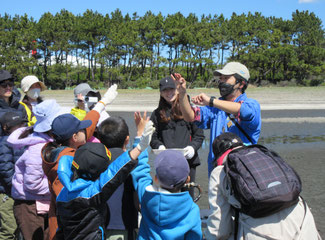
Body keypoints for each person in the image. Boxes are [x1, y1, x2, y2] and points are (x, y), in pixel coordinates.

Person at [205, 132, 321, 240]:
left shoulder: (219, 173)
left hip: (264, 233)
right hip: (303, 222)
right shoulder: (265, 155)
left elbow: (220, 229)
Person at [55, 119, 154, 240]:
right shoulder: (92, 193)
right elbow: (114, 174)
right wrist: (139, 147)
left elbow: (60, 230)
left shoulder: (62, 193)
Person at [41, 84, 118, 240]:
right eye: (81, 129)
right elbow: (70, 201)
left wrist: (102, 104)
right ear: (74, 137)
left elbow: (87, 127)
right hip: (69, 230)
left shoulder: (59, 147)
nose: (86, 131)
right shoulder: (63, 165)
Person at [173, 62, 261, 175]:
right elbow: (190, 116)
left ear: (241, 83)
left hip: (242, 174)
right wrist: (182, 93)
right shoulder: (215, 108)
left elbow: (243, 110)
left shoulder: (252, 105)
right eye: (221, 78)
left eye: (226, 78)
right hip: (217, 173)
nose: (222, 81)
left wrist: (211, 101)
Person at [8, 99, 61, 240]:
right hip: (29, 205)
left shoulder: (48, 143)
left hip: (41, 202)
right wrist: (58, 185)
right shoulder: (38, 149)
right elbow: (33, 184)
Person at [150, 76, 205, 198]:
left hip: (188, 162)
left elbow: (199, 135)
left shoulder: (189, 109)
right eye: (165, 90)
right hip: (166, 163)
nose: (168, 93)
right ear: (161, 93)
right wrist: (160, 147)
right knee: (166, 196)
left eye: (171, 89)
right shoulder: (156, 114)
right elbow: (153, 137)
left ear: (177, 89)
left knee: (187, 195)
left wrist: (192, 148)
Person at [131, 149, 202, 239]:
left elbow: (141, 173)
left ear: (156, 178)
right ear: (188, 180)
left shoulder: (146, 196)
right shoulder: (192, 210)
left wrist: (141, 145)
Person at [96, 115, 144, 240]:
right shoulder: (129, 163)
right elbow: (139, 163)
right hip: (124, 225)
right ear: (127, 139)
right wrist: (139, 135)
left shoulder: (95, 161)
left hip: (99, 226)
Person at [0, 112, 28, 240]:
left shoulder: (23, 141)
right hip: (8, 193)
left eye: (22, 125)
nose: (21, 128)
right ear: (6, 127)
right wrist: (16, 187)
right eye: (17, 126)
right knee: (9, 229)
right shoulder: (5, 143)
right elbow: (5, 169)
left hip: (19, 191)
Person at [0, 70, 27, 136]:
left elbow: (26, 129)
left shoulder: (20, 107)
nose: (8, 87)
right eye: (4, 85)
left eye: (10, 84)